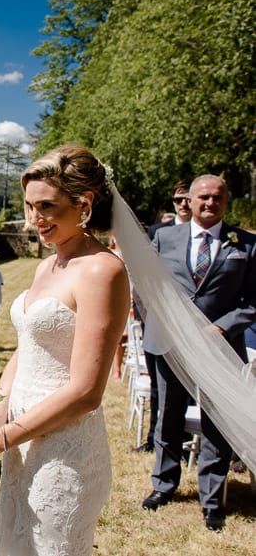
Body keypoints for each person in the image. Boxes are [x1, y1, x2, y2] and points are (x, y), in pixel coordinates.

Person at [0, 145, 129, 556]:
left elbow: (87, 392)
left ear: (83, 204)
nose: (35, 219)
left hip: (64, 449)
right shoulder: (45, 266)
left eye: (47, 206)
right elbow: (27, 345)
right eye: (30, 206)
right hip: (21, 436)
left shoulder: (102, 271)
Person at [141, 174, 255, 531]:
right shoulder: (163, 236)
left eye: (217, 197)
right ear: (188, 201)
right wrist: (160, 323)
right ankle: (164, 485)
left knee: (216, 424)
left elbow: (253, 301)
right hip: (172, 345)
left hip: (221, 348)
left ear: (226, 201)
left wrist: (221, 327)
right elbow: (147, 287)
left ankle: (211, 499)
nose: (210, 202)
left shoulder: (247, 244)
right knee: (168, 417)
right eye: (203, 196)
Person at [136, 180, 191, 451]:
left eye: (187, 199)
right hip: (160, 324)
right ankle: (153, 439)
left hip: (196, 328)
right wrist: (145, 316)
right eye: (178, 199)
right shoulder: (158, 233)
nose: (183, 204)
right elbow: (144, 277)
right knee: (160, 387)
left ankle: (188, 439)